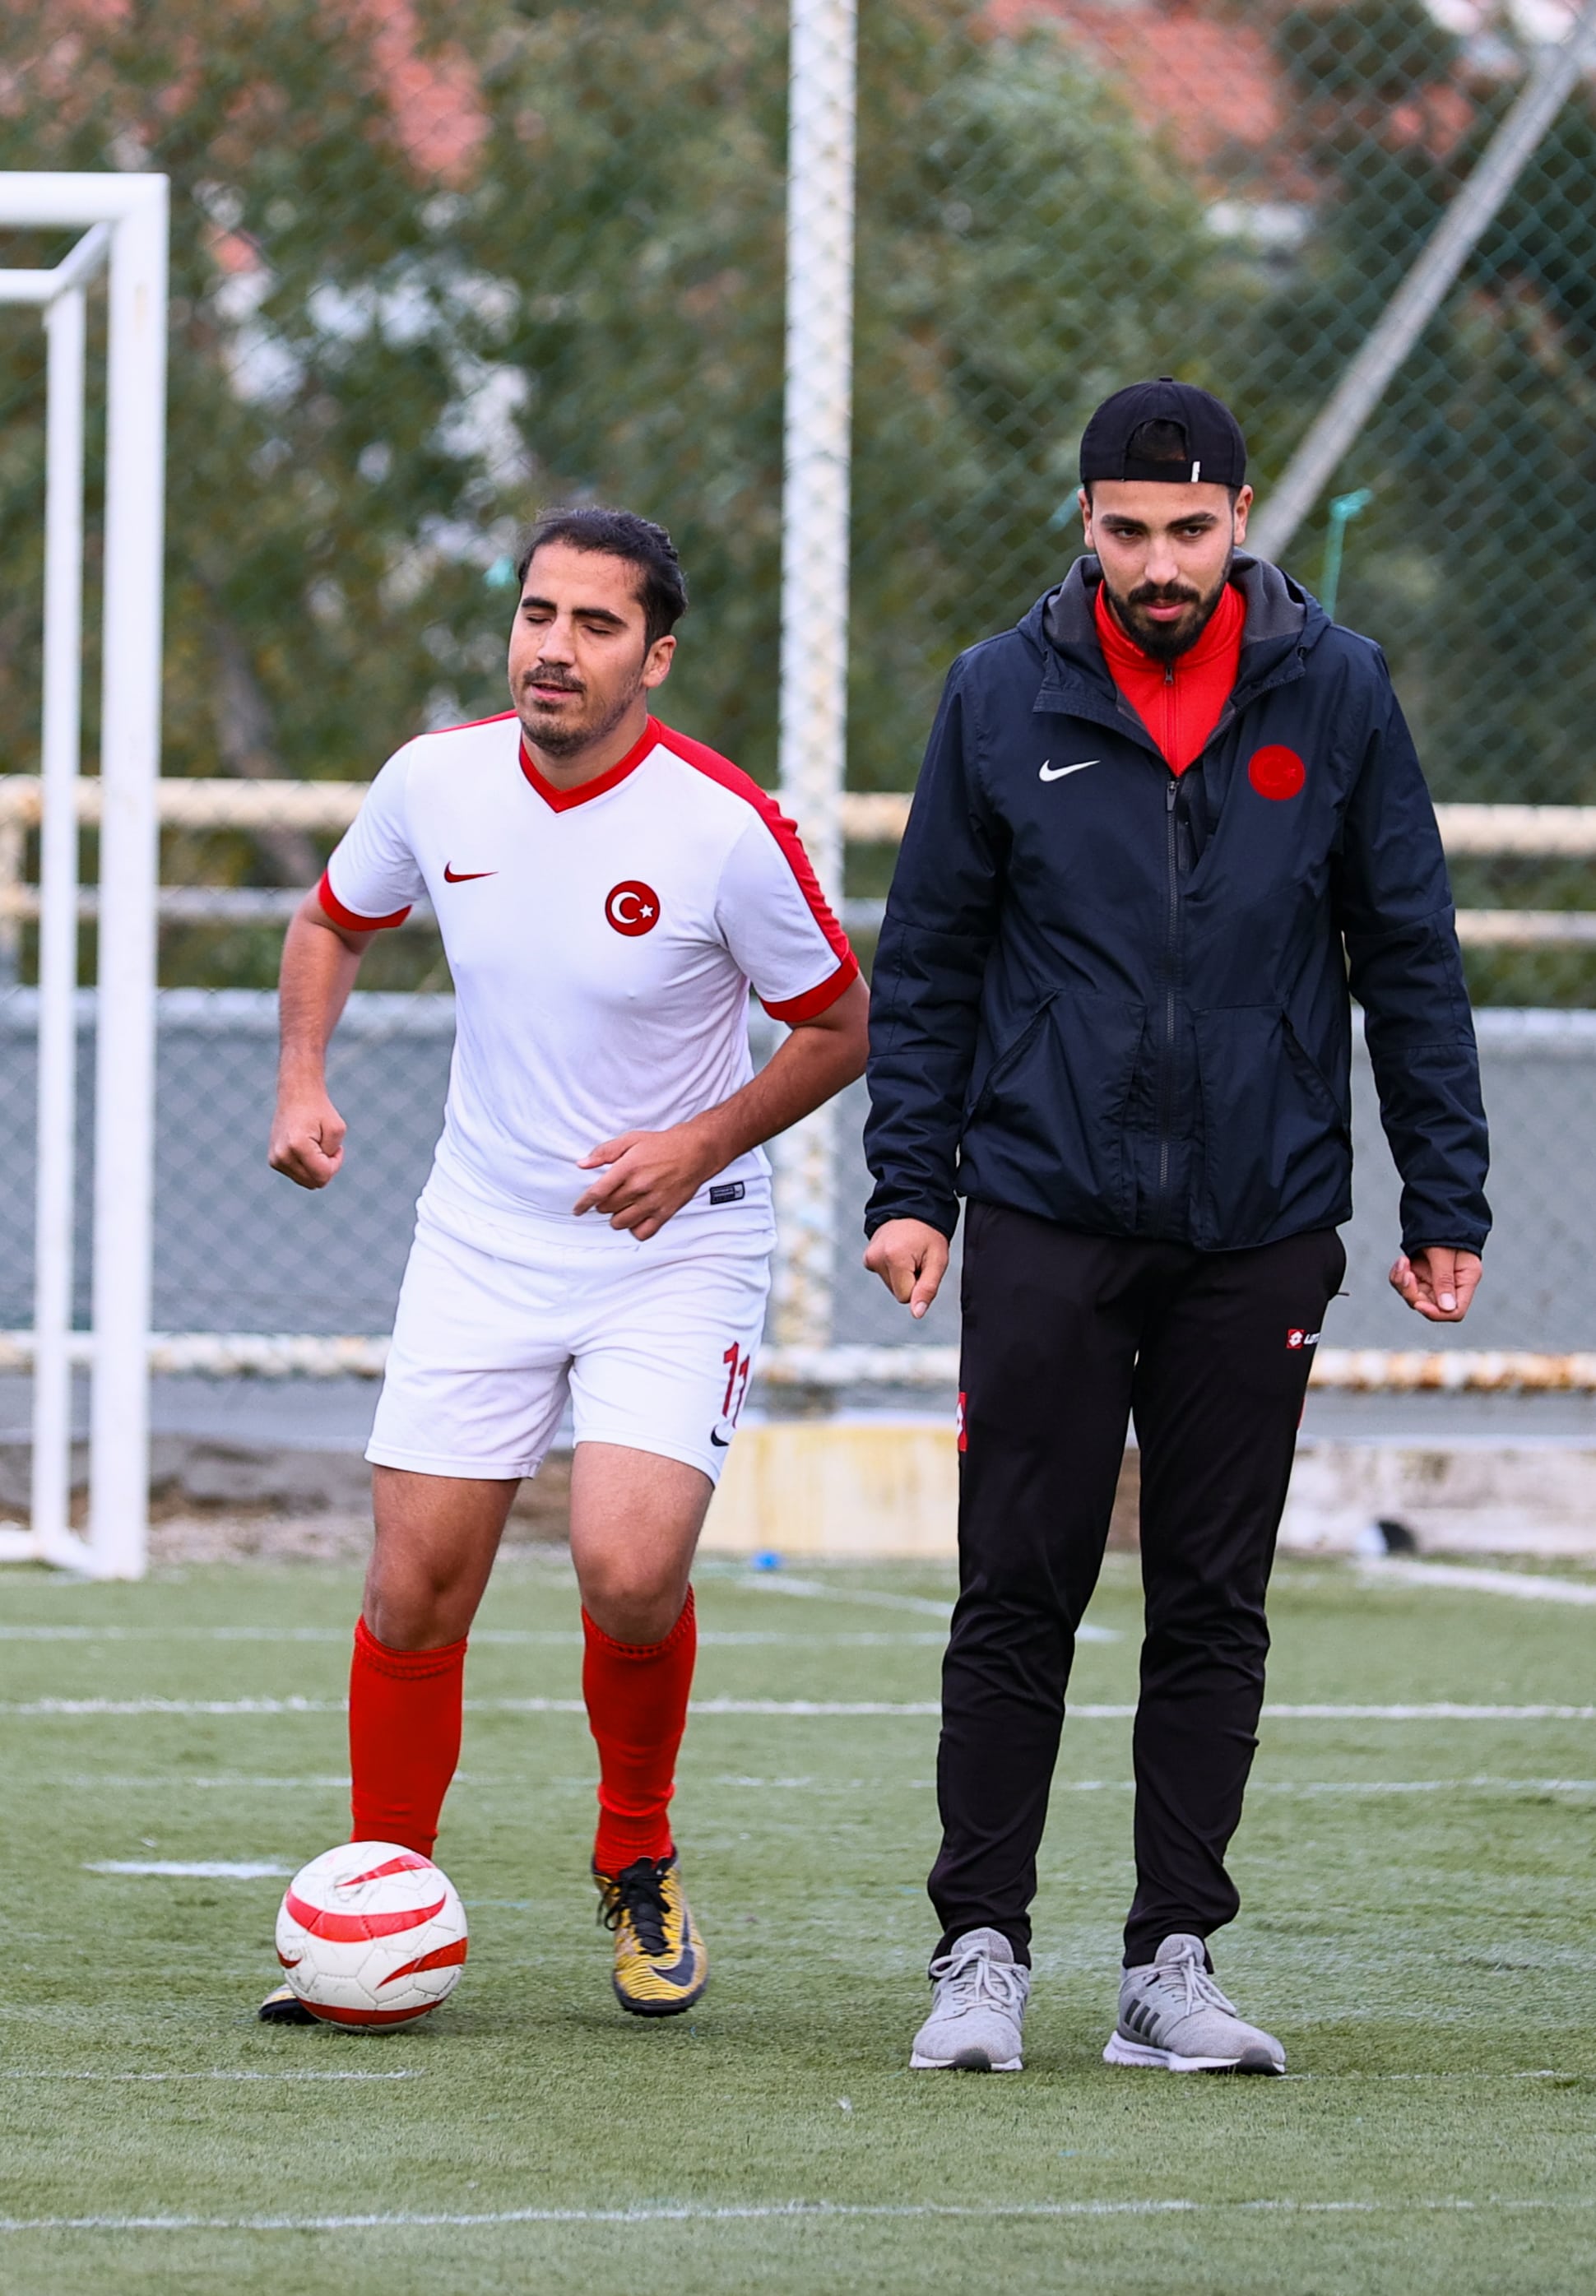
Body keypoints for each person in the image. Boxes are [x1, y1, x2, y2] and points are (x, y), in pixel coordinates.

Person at [862, 378, 1488, 2077]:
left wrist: (1446, 1192)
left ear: (1240, 519)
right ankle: (980, 1952)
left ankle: (1169, 1965)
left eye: (1189, 530)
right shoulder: (998, 692)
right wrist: (910, 1184)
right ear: (1085, 522)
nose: (1158, 563)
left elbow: (1409, 954)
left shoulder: (1337, 689)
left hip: (1260, 1221)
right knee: (1017, 1589)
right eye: (1129, 530)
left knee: (1214, 1598)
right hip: (1044, 1210)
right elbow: (929, 960)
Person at [260, 506, 865, 2023]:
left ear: (654, 658)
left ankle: (636, 1856)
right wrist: (301, 1081)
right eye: (539, 614)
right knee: (415, 1588)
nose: (555, 647)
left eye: (597, 625)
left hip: (675, 1244)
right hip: (483, 1234)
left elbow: (842, 1022)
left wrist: (700, 1144)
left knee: (630, 1568)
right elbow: (331, 924)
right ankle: (383, 1900)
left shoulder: (722, 825)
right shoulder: (434, 779)